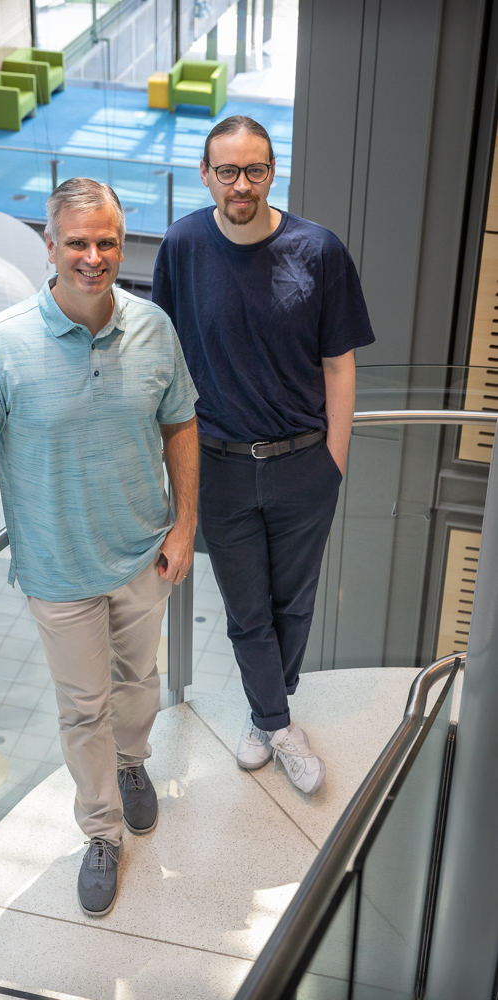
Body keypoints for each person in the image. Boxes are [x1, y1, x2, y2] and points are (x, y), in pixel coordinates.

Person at [0, 177, 199, 917]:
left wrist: (184, 524)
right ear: (50, 246)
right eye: (77, 242)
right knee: (83, 709)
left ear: (120, 242)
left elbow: (180, 426)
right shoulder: (3, 342)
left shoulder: (153, 328)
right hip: (56, 571)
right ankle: (100, 831)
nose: (94, 256)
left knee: (139, 684)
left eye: (106, 241)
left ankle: (133, 764)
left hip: (142, 554)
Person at [152, 116, 374, 794]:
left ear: (271, 171)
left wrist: (333, 462)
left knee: (293, 603)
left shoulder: (319, 251)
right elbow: (162, 355)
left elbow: (339, 366)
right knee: (246, 606)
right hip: (216, 466)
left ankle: (262, 715)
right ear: (206, 175)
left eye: (254, 170)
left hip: (304, 462)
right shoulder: (185, 244)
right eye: (227, 171)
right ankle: (277, 724)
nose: (240, 184)